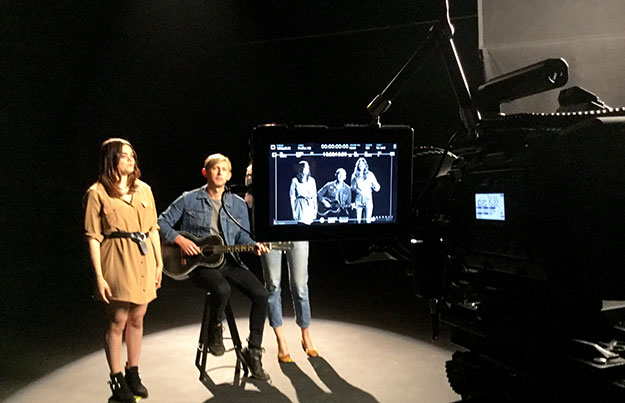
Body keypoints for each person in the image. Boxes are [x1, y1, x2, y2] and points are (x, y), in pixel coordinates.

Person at [158, 153, 271, 380]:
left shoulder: (238, 204)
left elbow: (242, 236)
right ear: (205, 172)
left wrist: (253, 246)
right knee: (222, 289)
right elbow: (161, 222)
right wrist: (180, 240)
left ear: (229, 176)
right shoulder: (189, 199)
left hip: (228, 261)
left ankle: (254, 351)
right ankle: (215, 329)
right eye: (215, 168)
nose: (219, 172)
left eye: (224, 169)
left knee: (261, 295)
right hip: (199, 264)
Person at [84, 138, 163, 403]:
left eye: (132, 155)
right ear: (111, 159)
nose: (131, 159)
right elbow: (93, 237)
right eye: (124, 155)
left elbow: (152, 229)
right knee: (118, 319)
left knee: (138, 317)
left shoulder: (144, 189)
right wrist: (99, 276)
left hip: (143, 257)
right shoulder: (97, 193)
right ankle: (116, 378)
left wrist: (159, 263)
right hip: (116, 258)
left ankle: (133, 372)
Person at [246, 163, 318, 363]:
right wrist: (251, 179)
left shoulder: (294, 165)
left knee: (300, 286)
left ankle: (305, 334)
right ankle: (281, 340)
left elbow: (313, 197)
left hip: (297, 227)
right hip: (270, 230)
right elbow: (249, 203)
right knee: (273, 286)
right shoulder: (255, 167)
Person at [351, 157, 380, 223]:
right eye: (360, 164)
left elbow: (377, 187)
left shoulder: (370, 174)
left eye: (363, 164)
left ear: (365, 165)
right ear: (358, 165)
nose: (361, 166)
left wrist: (374, 187)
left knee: (367, 220)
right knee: (358, 221)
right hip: (358, 199)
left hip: (368, 199)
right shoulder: (354, 175)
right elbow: (352, 188)